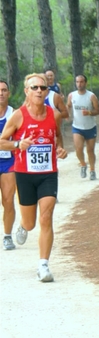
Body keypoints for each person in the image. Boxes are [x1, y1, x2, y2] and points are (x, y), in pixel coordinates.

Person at [0, 73, 68, 282]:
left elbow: (57, 137)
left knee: (46, 217)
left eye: (43, 88)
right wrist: (17, 145)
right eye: (35, 88)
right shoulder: (19, 116)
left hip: (48, 174)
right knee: (30, 224)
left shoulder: (54, 115)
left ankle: (43, 265)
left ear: (47, 91)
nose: (39, 91)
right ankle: (22, 225)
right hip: (24, 174)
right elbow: (2, 141)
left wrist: (61, 149)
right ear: (26, 91)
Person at [67, 74, 99, 179]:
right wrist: (67, 114)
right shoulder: (72, 95)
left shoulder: (91, 96)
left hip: (90, 127)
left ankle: (92, 170)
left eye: (81, 82)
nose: (79, 84)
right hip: (77, 127)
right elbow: (68, 105)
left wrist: (90, 112)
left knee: (90, 150)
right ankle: (83, 164)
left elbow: (98, 110)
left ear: (85, 83)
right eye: (77, 82)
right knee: (78, 148)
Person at [0, 80, 17, 250]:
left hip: (9, 161)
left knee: (8, 200)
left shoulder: (14, 114)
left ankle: (7, 235)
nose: (1, 93)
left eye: (4, 90)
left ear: (8, 93)